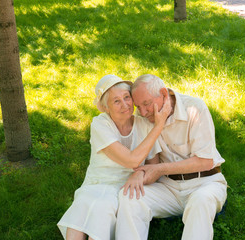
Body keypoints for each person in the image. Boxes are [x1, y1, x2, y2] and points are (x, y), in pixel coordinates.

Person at [57, 74, 171, 240]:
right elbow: (131, 160)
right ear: (106, 108)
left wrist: (139, 173)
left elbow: (153, 166)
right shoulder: (100, 124)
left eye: (127, 97)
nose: (125, 105)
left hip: (124, 186)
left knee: (104, 207)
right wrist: (158, 126)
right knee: (83, 203)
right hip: (97, 182)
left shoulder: (144, 125)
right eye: (116, 101)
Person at [116, 74, 228, 240]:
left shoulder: (195, 108)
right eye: (138, 106)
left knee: (200, 201)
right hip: (168, 188)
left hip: (204, 182)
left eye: (146, 104)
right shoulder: (144, 118)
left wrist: (160, 169)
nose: (143, 112)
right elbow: (150, 161)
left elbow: (205, 161)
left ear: (163, 93)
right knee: (129, 196)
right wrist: (140, 173)